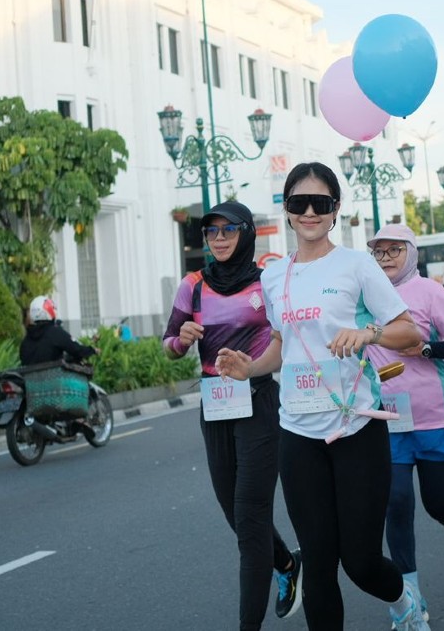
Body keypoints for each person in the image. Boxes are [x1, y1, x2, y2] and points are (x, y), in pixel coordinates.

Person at [215, 162, 427, 631]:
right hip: (298, 432)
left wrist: (367, 333)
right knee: (319, 565)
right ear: (287, 211)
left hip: (357, 427)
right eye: (299, 203)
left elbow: (408, 331)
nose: (310, 212)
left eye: (321, 203)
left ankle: (405, 602)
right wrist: (248, 368)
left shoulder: (356, 265)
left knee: (361, 561)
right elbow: (280, 344)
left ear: (335, 211)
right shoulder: (274, 276)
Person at [161, 201, 301, 629]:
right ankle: (287, 564)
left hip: (258, 402)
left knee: (250, 515)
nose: (219, 239)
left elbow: (288, 340)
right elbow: (168, 345)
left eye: (228, 230)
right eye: (211, 232)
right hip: (215, 403)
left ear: (247, 234)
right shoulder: (194, 285)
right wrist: (181, 340)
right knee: (234, 515)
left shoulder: (268, 283)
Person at [364, 224, 444, 626]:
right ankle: (410, 601)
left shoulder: (429, 291)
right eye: (378, 253)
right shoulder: (362, 294)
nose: (386, 259)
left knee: (436, 504)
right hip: (387, 417)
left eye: (394, 250)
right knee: (396, 503)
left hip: (432, 413)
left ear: (411, 252)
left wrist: (427, 347)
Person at [20, 296, 98, 365]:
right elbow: (76, 349)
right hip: (54, 379)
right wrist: (92, 350)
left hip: (30, 381)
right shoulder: (55, 332)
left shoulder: (25, 341)